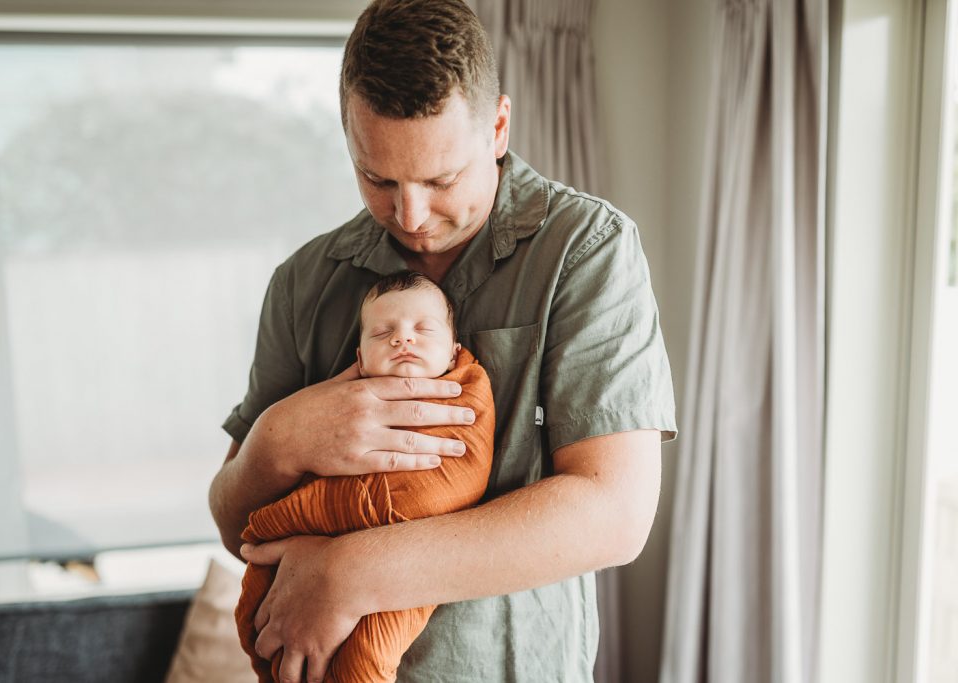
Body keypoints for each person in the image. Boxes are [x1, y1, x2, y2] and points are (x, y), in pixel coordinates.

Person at [208, 0, 678, 681]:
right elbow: (233, 522)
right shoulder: (305, 282)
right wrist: (278, 439)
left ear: (498, 126)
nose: (410, 215)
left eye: (441, 179)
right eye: (378, 178)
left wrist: (353, 572)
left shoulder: (586, 251)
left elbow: (615, 513)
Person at [234, 271, 496, 682]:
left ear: (453, 353)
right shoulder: (331, 408)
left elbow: (465, 474)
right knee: (267, 623)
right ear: (359, 359)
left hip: (417, 558)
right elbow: (254, 508)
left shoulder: (466, 391)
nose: (402, 339)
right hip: (323, 548)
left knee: (365, 658)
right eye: (382, 333)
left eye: (423, 330)